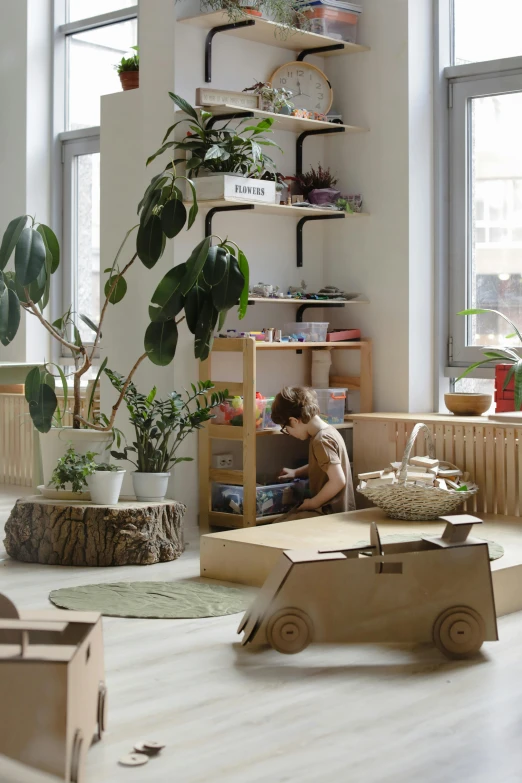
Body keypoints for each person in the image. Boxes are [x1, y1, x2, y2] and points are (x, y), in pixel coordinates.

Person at [271, 386, 355, 517]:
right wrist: (296, 472)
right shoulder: (328, 431)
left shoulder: (321, 440)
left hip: (329, 512)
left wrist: (313, 503)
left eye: (286, 429)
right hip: (331, 510)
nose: (289, 433)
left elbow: (338, 480)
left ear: (294, 421)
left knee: (278, 528)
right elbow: (324, 466)